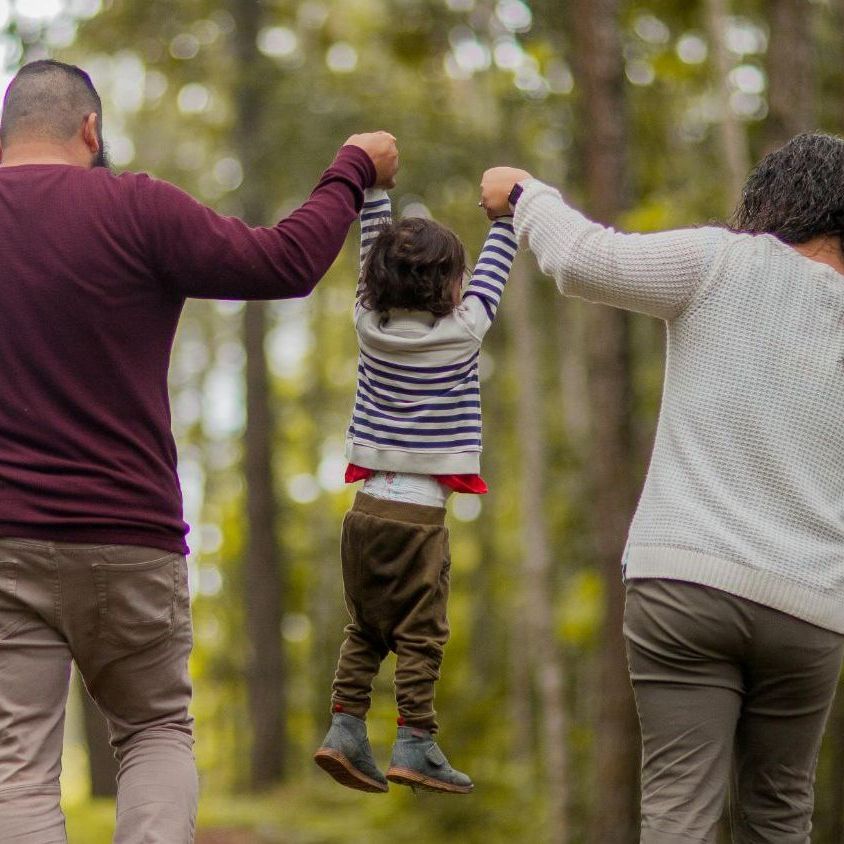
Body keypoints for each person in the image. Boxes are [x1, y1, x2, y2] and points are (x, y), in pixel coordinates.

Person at [0, 58, 398, 844]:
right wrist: (352, 169)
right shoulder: (136, 207)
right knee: (154, 730)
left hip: (5, 540)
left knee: (16, 765)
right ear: (91, 130)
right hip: (129, 536)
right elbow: (285, 262)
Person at [481, 133, 844, 843]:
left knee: (679, 808)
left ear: (774, 202)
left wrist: (525, 192)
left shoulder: (720, 261)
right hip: (811, 606)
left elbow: (582, 259)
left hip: (686, 583)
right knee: (781, 817)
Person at [312, 186, 518, 794]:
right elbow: (496, 269)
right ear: (449, 288)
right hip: (419, 520)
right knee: (420, 634)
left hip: (365, 513)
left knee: (366, 628)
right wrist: (505, 217)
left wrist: (374, 191)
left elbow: (366, 253)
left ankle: (345, 727)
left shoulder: (366, 325)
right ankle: (415, 740)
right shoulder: (464, 331)